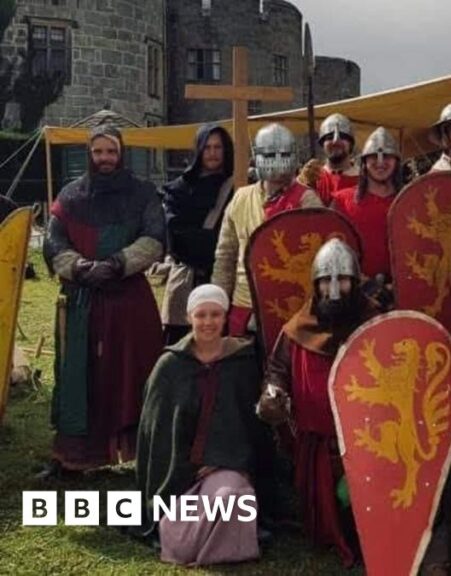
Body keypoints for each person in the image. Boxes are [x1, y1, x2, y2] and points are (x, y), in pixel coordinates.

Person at [41, 124, 165, 478]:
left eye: (111, 151)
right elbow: (54, 243)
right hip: (81, 300)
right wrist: (80, 268)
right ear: (89, 154)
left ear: (121, 153)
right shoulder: (70, 196)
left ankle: (137, 454)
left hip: (127, 300)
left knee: (130, 374)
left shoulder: (142, 193)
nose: (105, 158)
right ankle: (72, 457)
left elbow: (154, 238)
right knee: (77, 377)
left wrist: (116, 264)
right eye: (98, 152)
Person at [257, 239, 376, 566]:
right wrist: (272, 396)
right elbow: (276, 371)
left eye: (343, 279)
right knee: (326, 523)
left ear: (356, 281)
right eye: (326, 280)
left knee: (364, 522)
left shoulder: (376, 323)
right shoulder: (297, 329)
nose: (334, 289)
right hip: (318, 445)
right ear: (315, 284)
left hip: (372, 443)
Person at [135, 285, 270, 566]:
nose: (208, 322)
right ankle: (191, 541)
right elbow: (155, 434)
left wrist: (221, 460)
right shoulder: (169, 366)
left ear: (225, 318)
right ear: (189, 318)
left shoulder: (242, 363)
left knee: (231, 497)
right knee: (182, 542)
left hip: (226, 467)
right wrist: (188, 465)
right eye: (201, 315)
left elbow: (251, 429)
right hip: (177, 474)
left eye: (215, 315)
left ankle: (225, 546)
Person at [211, 123, 321, 336]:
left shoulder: (307, 200)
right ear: (258, 156)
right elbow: (225, 257)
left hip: (292, 306)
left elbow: (318, 258)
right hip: (244, 305)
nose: (277, 161)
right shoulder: (241, 198)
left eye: (284, 154)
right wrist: (218, 302)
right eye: (269, 154)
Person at [161, 124, 235, 344]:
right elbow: (175, 235)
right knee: (180, 346)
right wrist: (212, 246)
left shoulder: (239, 187)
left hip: (225, 279)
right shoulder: (178, 190)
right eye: (207, 147)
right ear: (199, 150)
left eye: (218, 147)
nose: (212, 153)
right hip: (188, 277)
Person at [331, 126, 402, 285]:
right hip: (357, 291)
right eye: (374, 157)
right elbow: (333, 251)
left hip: (404, 290)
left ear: (397, 162)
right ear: (364, 162)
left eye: (387, 156)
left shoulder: (409, 201)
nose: (380, 162)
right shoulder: (342, 201)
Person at [298, 114, 360, 204]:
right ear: (322, 144)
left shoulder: (365, 180)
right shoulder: (313, 177)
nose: (336, 141)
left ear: (350, 143)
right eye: (329, 137)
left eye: (342, 136)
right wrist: (301, 185)